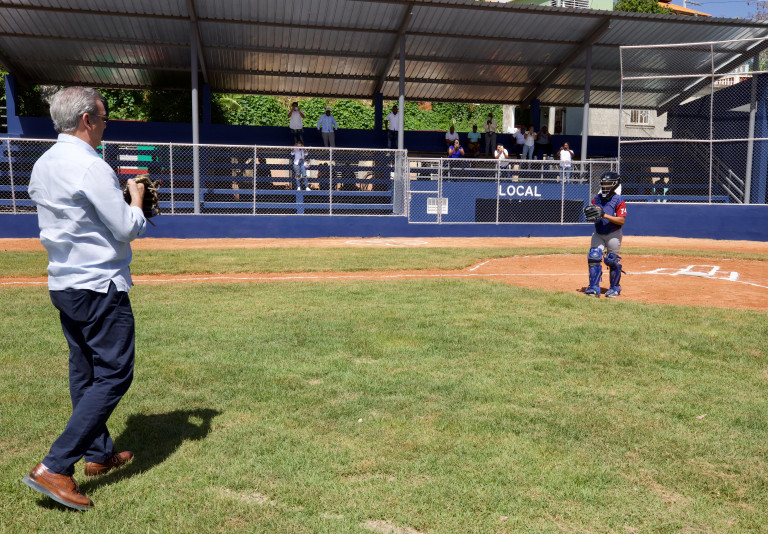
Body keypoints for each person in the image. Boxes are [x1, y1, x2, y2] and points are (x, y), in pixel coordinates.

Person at [22, 86, 147, 511]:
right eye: (104, 119)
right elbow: (125, 227)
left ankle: (97, 453)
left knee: (85, 370)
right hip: (99, 282)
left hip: (64, 281)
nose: (105, 126)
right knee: (114, 374)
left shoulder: (43, 164)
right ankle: (55, 466)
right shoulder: (92, 166)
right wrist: (136, 201)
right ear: (86, 120)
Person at [585, 172, 627, 298]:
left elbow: (621, 220)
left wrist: (604, 215)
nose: (605, 186)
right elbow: (593, 217)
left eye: (608, 183)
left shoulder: (618, 200)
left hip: (613, 233)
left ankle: (615, 287)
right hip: (599, 232)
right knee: (594, 256)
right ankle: (593, 287)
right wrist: (591, 216)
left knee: (611, 260)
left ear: (615, 185)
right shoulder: (596, 199)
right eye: (603, 183)